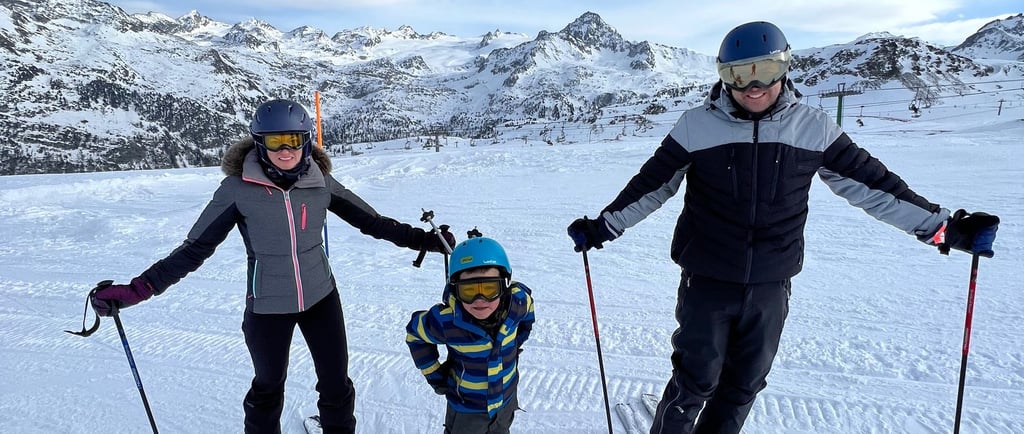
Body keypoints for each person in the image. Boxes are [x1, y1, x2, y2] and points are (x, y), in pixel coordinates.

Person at [566, 21, 999, 434]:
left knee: (744, 384)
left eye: (766, 71)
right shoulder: (697, 126)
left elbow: (875, 187)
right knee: (695, 379)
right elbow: (652, 185)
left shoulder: (812, 128)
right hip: (708, 277)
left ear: (785, 68)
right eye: (739, 74)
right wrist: (604, 227)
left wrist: (945, 229)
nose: (753, 86)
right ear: (724, 77)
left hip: (772, 282)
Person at [89, 98, 456, 434]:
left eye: (294, 140)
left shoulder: (320, 182)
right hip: (267, 306)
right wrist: (138, 290)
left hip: (321, 297)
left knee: (335, 384)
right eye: (276, 140)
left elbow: (372, 222)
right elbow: (194, 249)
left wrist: (424, 240)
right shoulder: (237, 189)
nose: (285, 150)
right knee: (268, 387)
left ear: (307, 141)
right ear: (258, 142)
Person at [405, 237, 536, 434]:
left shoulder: (517, 303)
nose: (480, 299)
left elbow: (528, 313)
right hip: (467, 411)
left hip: (506, 400)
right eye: (469, 291)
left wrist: (515, 343)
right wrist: (435, 374)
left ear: (504, 285)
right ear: (455, 289)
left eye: (490, 289)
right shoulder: (446, 322)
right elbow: (415, 334)